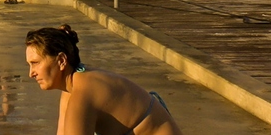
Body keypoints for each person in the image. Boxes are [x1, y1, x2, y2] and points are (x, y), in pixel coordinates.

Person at [25, 24, 183, 135]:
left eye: (35, 63)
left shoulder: (83, 93)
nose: (31, 73)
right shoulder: (73, 86)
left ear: (61, 61)